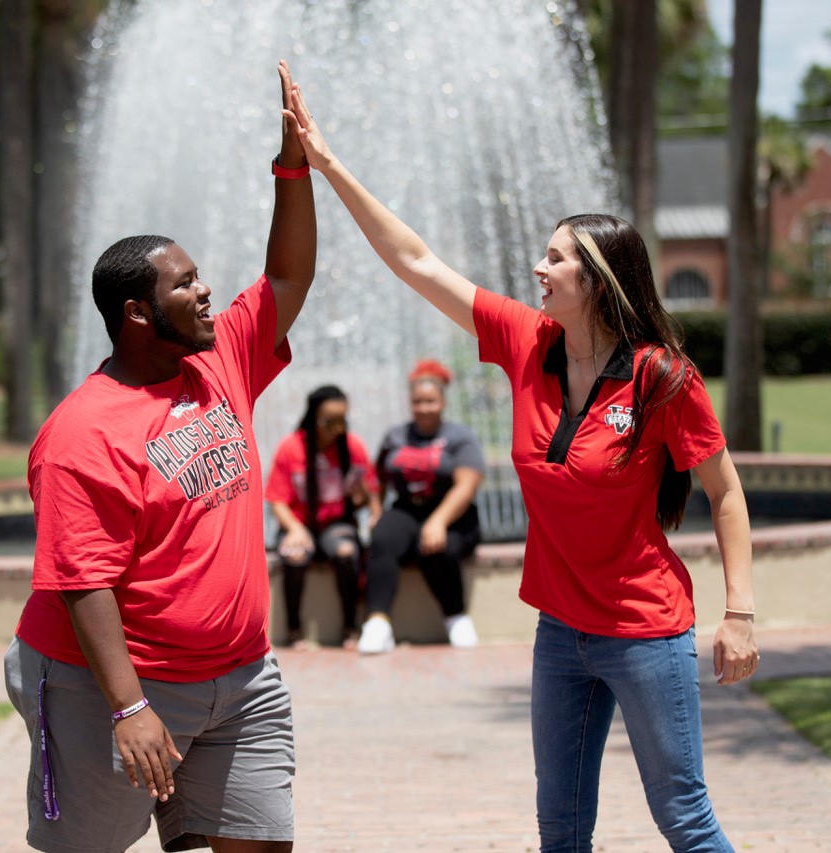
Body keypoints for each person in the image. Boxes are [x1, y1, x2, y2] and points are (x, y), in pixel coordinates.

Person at [280, 65, 758, 852]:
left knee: (686, 820)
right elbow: (418, 262)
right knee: (560, 832)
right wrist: (328, 165)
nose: (538, 269)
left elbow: (726, 493)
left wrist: (738, 613)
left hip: (646, 628)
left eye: (555, 259)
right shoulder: (527, 341)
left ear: (598, 283)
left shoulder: (663, 376)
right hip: (560, 630)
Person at [2, 61, 314, 853]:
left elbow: (287, 273)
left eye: (201, 277)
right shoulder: (83, 434)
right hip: (106, 685)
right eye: (186, 286)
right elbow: (82, 580)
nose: (206, 292)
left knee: (261, 841)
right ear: (138, 312)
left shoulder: (221, 359)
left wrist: (294, 163)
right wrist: (128, 706)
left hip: (242, 677)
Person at [355, 358, 485, 654]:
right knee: (384, 538)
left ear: (442, 401)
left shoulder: (459, 437)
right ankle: (377, 622)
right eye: (417, 402)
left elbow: (467, 485)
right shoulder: (396, 435)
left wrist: (438, 521)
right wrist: (375, 511)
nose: (423, 408)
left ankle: (456, 617)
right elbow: (379, 478)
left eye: (430, 401)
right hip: (407, 509)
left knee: (439, 547)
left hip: (453, 513)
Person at [266, 384, 381, 648]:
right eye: (329, 420)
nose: (336, 428)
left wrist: (365, 498)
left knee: (346, 552)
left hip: (336, 524)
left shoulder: (352, 446)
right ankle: (295, 629)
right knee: (294, 556)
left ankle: (350, 626)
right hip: (299, 522)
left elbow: (367, 500)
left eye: (342, 420)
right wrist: (295, 529)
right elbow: (276, 501)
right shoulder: (291, 447)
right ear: (313, 416)